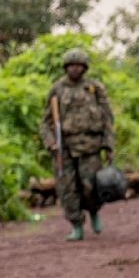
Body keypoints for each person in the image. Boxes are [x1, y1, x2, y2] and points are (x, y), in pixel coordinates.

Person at [44, 47, 115, 241]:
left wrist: (108, 145)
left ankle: (93, 212)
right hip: (64, 147)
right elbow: (45, 122)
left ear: (84, 68)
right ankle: (76, 225)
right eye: (71, 66)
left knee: (90, 186)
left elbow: (108, 118)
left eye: (79, 66)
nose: (75, 69)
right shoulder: (57, 89)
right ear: (65, 67)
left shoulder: (95, 88)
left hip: (90, 146)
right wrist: (51, 142)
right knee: (67, 189)